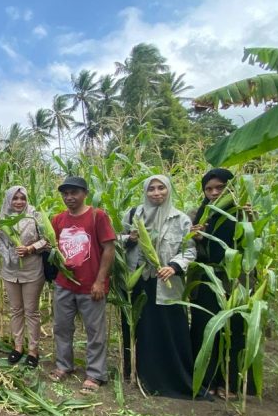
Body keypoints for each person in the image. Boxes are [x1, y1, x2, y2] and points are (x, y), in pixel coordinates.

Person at [120, 174, 196, 398]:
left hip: (166, 283)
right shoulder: (134, 214)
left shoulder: (181, 219)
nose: (156, 193)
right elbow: (117, 240)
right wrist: (130, 239)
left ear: (168, 190)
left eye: (161, 188)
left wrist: (174, 266)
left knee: (167, 329)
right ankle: (137, 373)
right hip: (137, 282)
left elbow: (190, 250)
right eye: (151, 189)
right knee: (139, 328)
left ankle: (168, 378)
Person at [189, 168, 255, 399]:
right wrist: (196, 238)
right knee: (204, 330)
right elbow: (194, 252)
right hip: (208, 279)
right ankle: (205, 381)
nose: (214, 192)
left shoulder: (243, 213)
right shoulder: (200, 214)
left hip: (236, 280)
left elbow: (253, 248)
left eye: (220, 187)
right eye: (209, 189)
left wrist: (251, 221)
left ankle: (229, 383)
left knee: (234, 330)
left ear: (231, 188)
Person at [50, 177, 116, 391]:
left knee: (94, 330)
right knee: (61, 327)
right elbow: (52, 246)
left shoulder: (98, 216)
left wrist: (100, 281)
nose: (69, 197)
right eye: (65, 193)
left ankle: (95, 374)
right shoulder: (58, 219)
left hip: (91, 285)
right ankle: (64, 366)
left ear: (85, 193)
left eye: (74, 193)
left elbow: (109, 249)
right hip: (64, 284)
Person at [0, 186, 47, 368]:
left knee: (31, 311)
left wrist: (30, 248)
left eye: (22, 198)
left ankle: (33, 350)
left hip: (32, 270)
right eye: (15, 198)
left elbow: (47, 239)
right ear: (9, 199)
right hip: (10, 271)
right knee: (16, 310)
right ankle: (18, 347)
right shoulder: (3, 218)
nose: (18, 202)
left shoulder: (35, 216)